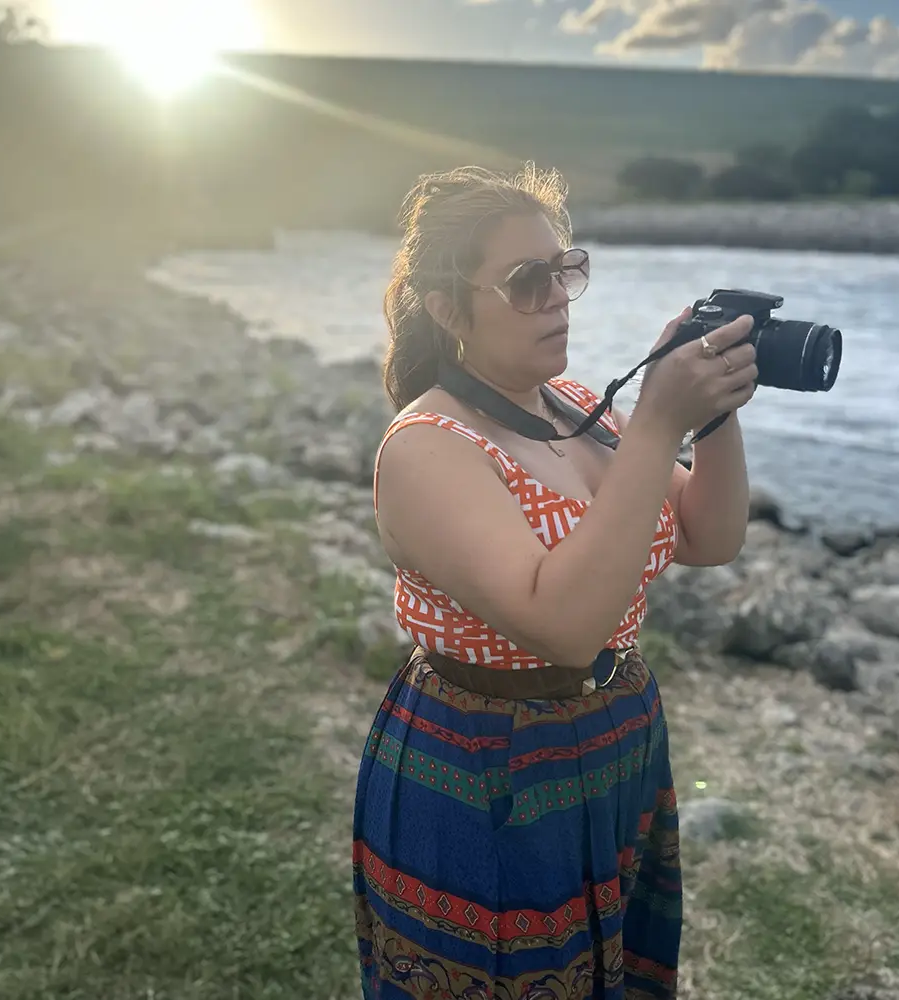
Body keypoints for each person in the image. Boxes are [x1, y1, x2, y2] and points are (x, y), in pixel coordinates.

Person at [352, 163, 757, 1000]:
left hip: (618, 737)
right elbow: (563, 624)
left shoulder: (574, 403)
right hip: (487, 767)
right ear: (443, 305)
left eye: (564, 271)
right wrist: (655, 422)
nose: (559, 299)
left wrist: (710, 413)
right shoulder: (429, 445)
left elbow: (709, 536)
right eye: (525, 282)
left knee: (614, 971)